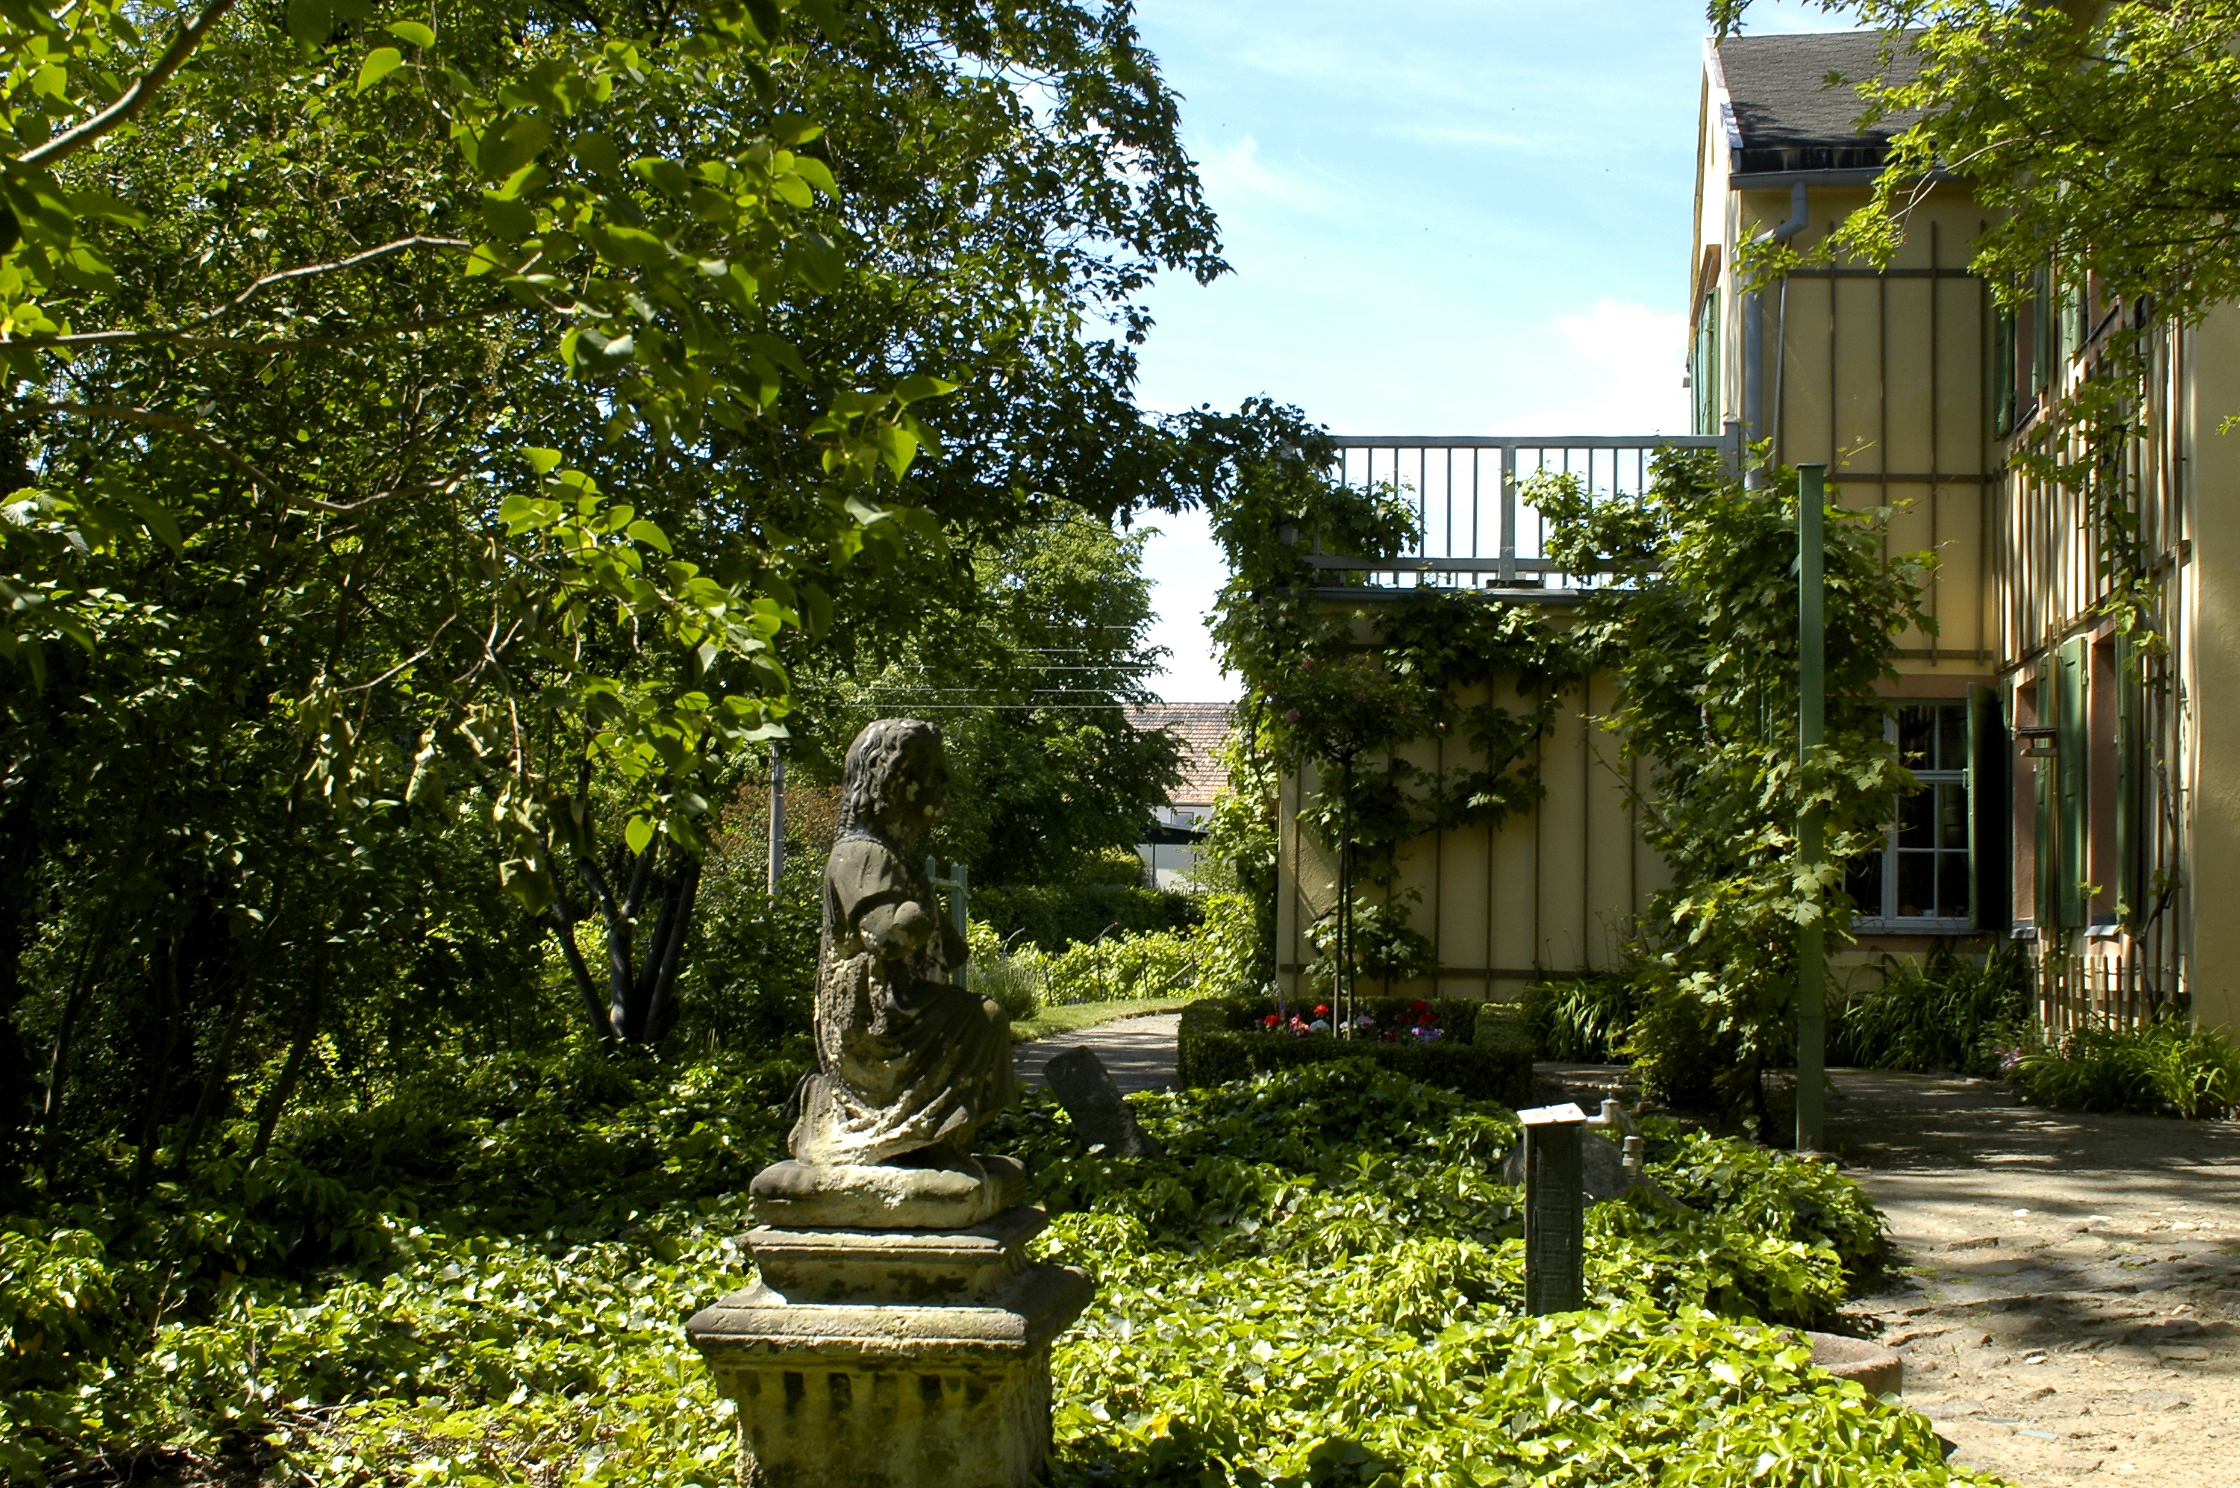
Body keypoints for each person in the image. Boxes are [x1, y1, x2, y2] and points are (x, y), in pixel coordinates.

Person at [789, 718, 1016, 1166]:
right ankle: (915, 1131)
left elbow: (951, 950)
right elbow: (887, 936)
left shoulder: (898, 858)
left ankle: (932, 1137)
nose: (944, 782)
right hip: (874, 1022)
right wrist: (919, 916)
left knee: (982, 1019)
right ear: (889, 780)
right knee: (984, 1019)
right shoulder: (860, 853)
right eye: (931, 771)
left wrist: (929, 922)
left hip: (902, 1004)